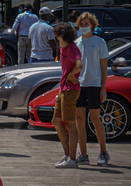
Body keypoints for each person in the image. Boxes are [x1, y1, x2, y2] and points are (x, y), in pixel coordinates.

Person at [74, 12, 110, 166]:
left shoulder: (100, 42)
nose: (84, 27)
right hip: (78, 85)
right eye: (81, 25)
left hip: (94, 85)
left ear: (93, 25)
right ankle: (83, 154)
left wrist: (103, 88)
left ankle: (103, 152)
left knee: (95, 119)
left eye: (86, 24)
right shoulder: (76, 43)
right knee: (79, 120)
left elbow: (104, 66)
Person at [52, 22, 83, 168]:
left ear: (62, 35)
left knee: (70, 124)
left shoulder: (71, 48)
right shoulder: (63, 48)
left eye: (57, 35)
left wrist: (72, 75)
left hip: (71, 90)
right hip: (64, 89)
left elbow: (79, 65)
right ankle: (67, 155)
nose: (56, 38)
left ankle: (72, 159)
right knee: (56, 121)